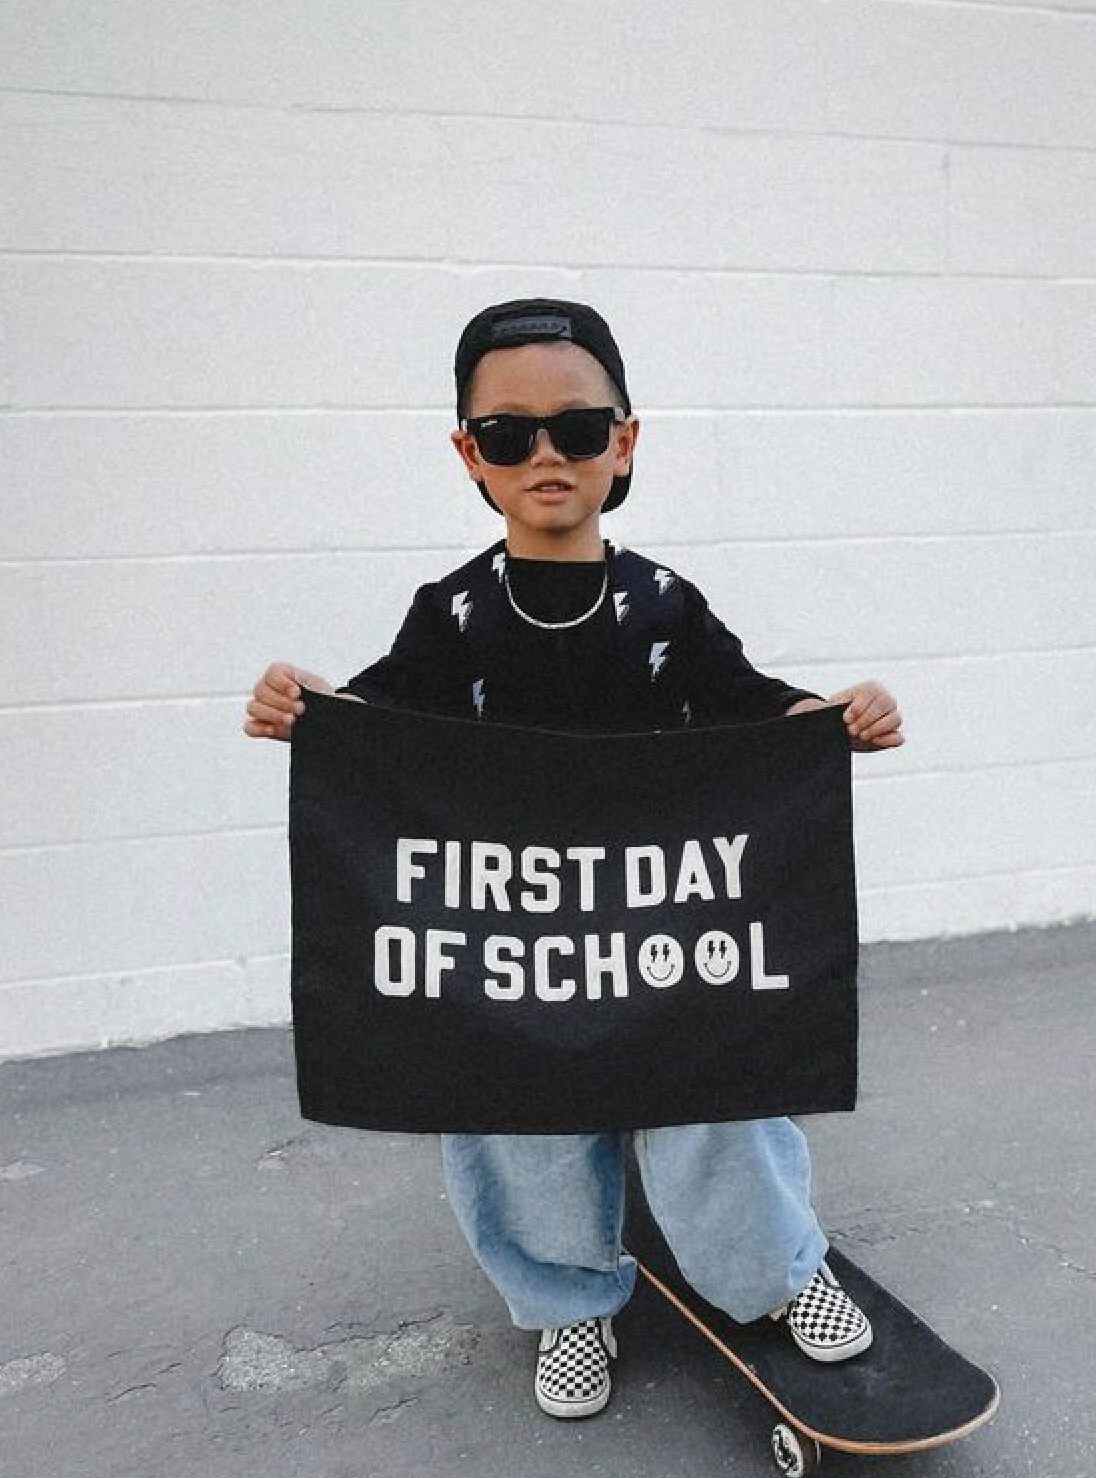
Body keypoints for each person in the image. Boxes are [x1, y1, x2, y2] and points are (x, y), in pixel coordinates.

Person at [244, 297, 903, 1420]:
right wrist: (309, 709)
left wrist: (832, 716)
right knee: (510, 1111)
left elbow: (747, 710)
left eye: (577, 429)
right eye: (507, 435)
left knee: (720, 1089)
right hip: (515, 936)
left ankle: (779, 1277)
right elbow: (382, 722)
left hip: (663, 923)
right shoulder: (449, 615)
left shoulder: (662, 603)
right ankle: (565, 1306)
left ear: (625, 441)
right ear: (471, 455)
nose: (545, 454)